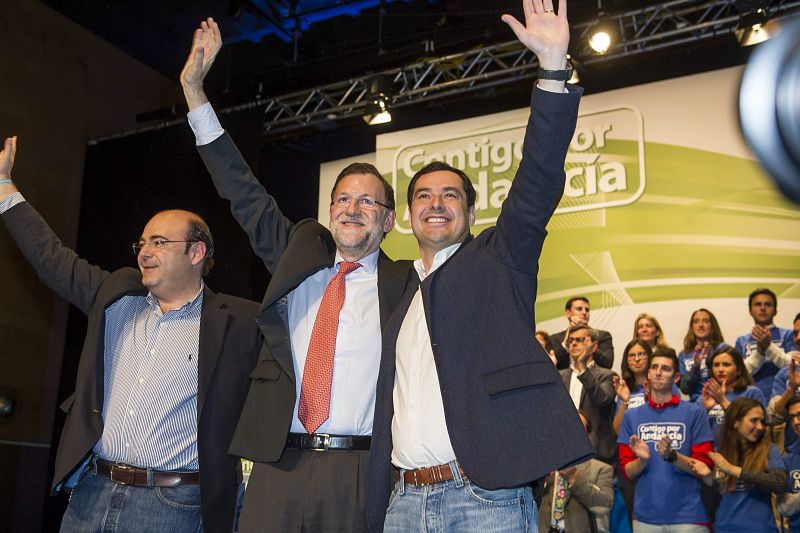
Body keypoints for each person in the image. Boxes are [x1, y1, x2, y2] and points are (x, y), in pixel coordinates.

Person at [366, 1, 595, 530]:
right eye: (423, 195)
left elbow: (537, 180)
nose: (437, 203)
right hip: (402, 504)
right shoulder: (397, 292)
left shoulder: (499, 259)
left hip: (483, 499)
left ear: (472, 212)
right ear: (406, 216)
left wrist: (554, 69)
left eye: (451, 195)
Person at [180, 19, 412, 532]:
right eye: (342, 199)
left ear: (389, 220)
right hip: (276, 465)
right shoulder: (298, 260)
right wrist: (195, 93)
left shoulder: (407, 286)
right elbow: (242, 190)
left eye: (367, 202)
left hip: (361, 470)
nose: (352, 209)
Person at [0, 137, 261, 532]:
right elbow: (51, 259)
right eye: (142, 242)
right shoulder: (117, 297)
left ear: (196, 253)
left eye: (159, 242)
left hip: (172, 505)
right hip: (91, 493)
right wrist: (5, 186)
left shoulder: (240, 321)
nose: (144, 251)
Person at [618, 348, 715, 532]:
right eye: (654, 367)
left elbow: (704, 466)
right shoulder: (631, 416)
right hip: (646, 517)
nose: (658, 372)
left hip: (689, 516)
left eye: (665, 368)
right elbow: (627, 472)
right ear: (648, 374)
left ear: (676, 377)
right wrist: (643, 460)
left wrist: (673, 457)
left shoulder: (695, 412)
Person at [691, 398, 787, 533]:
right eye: (754, 420)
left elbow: (779, 482)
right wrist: (708, 480)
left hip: (761, 529)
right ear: (736, 422)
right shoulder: (720, 453)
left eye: (762, 422)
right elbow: (713, 500)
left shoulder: (769, 450)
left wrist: (732, 469)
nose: (760, 427)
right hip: (724, 528)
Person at [538, 410, 614, 533]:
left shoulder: (601, 469)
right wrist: (542, 478)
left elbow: (604, 507)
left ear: (588, 436)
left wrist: (574, 479)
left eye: (578, 428)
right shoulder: (544, 466)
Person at [561, 323, 617, 464]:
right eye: (570, 340)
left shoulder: (608, 375)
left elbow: (602, 399)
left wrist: (583, 368)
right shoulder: (559, 376)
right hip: (564, 451)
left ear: (594, 346)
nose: (573, 343)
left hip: (597, 454)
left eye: (579, 340)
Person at [735, 288, 796, 400]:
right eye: (758, 304)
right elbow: (739, 374)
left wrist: (768, 347)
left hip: (784, 398)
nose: (762, 308)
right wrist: (760, 352)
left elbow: (793, 367)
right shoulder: (741, 341)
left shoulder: (789, 335)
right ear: (750, 311)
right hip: (752, 400)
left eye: (768, 305)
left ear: (775, 310)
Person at [699, 347, 765, 435]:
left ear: (739, 370)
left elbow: (757, 427)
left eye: (726, 365)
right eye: (716, 365)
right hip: (713, 448)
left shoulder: (752, 393)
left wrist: (723, 401)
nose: (720, 369)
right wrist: (706, 408)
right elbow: (695, 427)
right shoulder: (707, 396)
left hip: (742, 447)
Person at [551, 296, 615, 369]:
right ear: (568, 313)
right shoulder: (553, 339)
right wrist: (565, 344)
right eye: (579, 309)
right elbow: (550, 367)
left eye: (587, 310)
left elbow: (607, 364)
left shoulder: (602, 336)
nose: (584, 312)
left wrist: (590, 345)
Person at [767, 313, 800, 453]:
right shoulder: (785, 374)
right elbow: (774, 416)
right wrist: (791, 389)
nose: (798, 338)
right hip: (792, 451)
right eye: (796, 333)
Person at [679, 308, 728, 401]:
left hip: (720, 400)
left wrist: (710, 361)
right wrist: (696, 366)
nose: (700, 325)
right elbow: (685, 388)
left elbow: (729, 379)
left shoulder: (724, 349)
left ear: (712, 326)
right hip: (695, 404)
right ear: (692, 327)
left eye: (705, 321)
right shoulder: (684, 355)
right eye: (696, 322)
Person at [776, 396, 800, 531]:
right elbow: (784, 508)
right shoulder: (787, 461)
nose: (796, 422)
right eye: (792, 417)